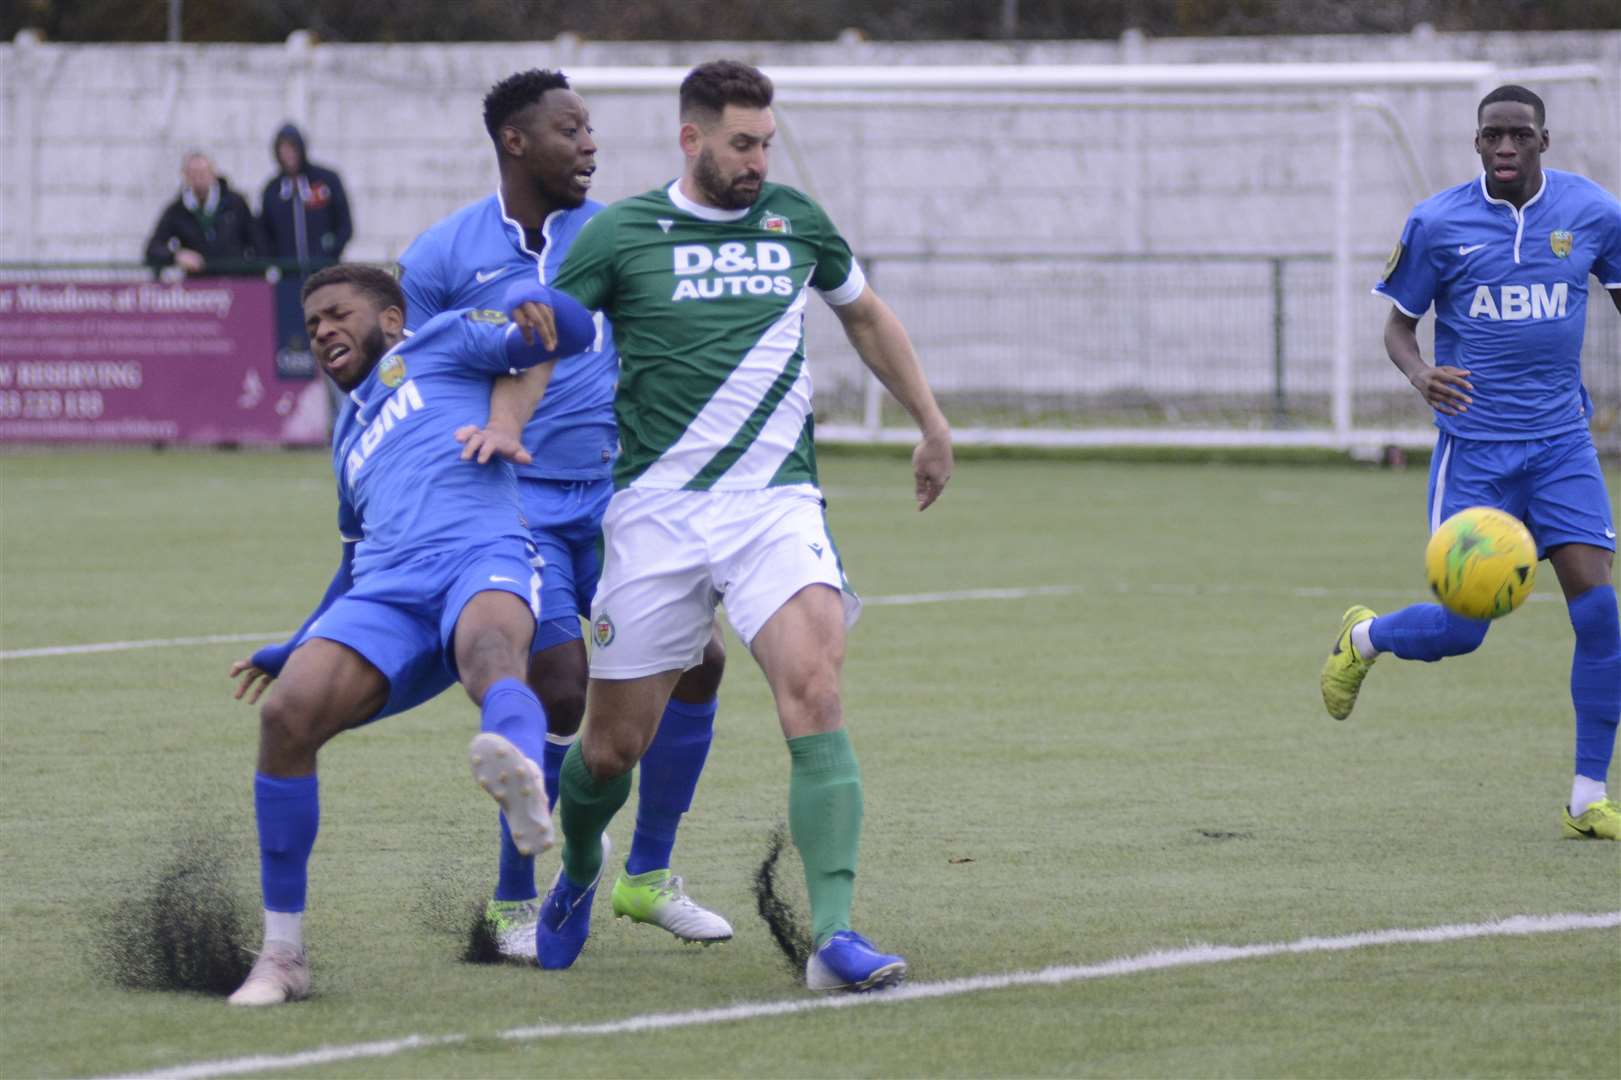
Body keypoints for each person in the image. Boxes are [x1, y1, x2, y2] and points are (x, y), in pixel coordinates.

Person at [466, 59, 954, 991]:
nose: (757, 162)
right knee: (610, 752)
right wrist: (505, 425)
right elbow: (544, 341)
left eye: (765, 144)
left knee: (813, 693)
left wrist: (930, 422)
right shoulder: (621, 234)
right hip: (656, 515)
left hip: (777, 506)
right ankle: (578, 867)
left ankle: (835, 936)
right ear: (691, 139)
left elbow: (866, 318)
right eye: (740, 144)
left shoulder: (796, 223)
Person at [396, 69, 734, 959]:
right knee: (558, 686)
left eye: (591, 130)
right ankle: (515, 899)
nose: (591, 144)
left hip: (625, 497)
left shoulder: (622, 233)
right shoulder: (439, 256)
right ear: (516, 141)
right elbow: (419, 385)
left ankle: (648, 876)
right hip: (515, 505)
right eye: (571, 129)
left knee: (699, 663)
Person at [222, 263, 595, 1006]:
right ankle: (284, 956)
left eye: (337, 313)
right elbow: (350, 567)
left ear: (391, 320)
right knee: (285, 716)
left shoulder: (444, 342)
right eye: (313, 323)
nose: (323, 329)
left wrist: (537, 304)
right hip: (387, 593)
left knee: (491, 657)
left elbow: (570, 334)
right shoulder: (348, 440)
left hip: (479, 554)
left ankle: (522, 783)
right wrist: (294, 646)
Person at [1320, 85, 1621, 840]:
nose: (1505, 148)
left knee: (1599, 614)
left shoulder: (1592, 213)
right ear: (1476, 143)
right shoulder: (1435, 223)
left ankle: (1588, 798)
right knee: (1463, 633)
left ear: (1544, 141)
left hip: (1560, 447)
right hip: (1475, 455)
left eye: (1519, 135)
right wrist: (1419, 375)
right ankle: (1364, 638)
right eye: (1492, 136)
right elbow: (1397, 328)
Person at [142, 151, 257, 275]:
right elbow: (153, 249)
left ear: (213, 173)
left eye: (203, 172)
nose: (198, 178)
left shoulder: (236, 203)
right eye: (193, 173)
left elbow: (257, 241)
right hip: (199, 288)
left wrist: (255, 276)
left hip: (236, 284)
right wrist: (176, 255)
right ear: (184, 176)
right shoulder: (176, 210)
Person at [258, 124, 353, 268]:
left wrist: (330, 253)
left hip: (324, 271)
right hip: (288, 275)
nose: (289, 155)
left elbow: (344, 225)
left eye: (292, 148)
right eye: (283, 150)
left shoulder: (326, 181)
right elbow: (264, 233)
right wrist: (276, 262)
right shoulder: (272, 190)